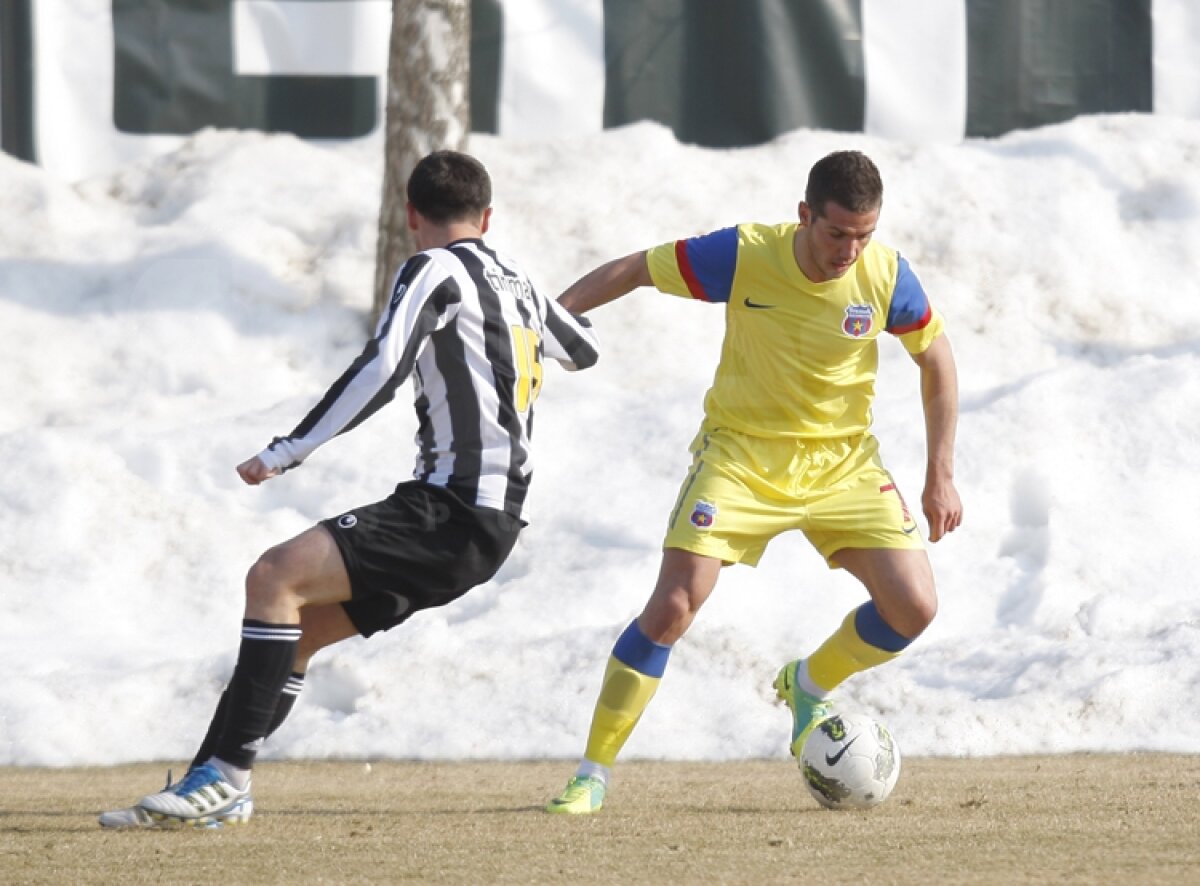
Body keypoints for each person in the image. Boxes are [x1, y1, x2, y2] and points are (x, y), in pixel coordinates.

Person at [99, 149, 600, 828]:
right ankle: (210, 784)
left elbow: (384, 367)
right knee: (297, 631)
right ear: (486, 217)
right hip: (493, 525)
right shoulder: (520, 281)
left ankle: (226, 779)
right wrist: (528, 309)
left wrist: (289, 449)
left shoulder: (432, 268)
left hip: (450, 507)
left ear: (410, 214)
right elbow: (582, 349)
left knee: (274, 576)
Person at [545, 150, 961, 814]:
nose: (850, 251)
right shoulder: (743, 255)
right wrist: (551, 320)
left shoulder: (886, 275)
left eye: (864, 235)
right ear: (804, 215)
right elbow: (637, 268)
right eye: (837, 233)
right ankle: (591, 774)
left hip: (843, 464)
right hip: (740, 456)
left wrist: (940, 474)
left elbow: (936, 358)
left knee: (914, 608)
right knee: (673, 606)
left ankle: (808, 685)